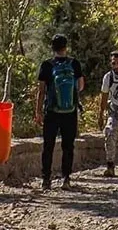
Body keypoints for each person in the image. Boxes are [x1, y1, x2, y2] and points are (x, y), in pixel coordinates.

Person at [36, 34, 84, 191]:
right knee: (68, 146)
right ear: (66, 47)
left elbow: (41, 91)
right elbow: (81, 85)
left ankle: (46, 180)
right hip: (69, 112)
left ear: (52, 47)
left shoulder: (47, 65)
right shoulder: (74, 63)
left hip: (52, 111)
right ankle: (66, 178)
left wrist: (38, 111)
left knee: (48, 146)